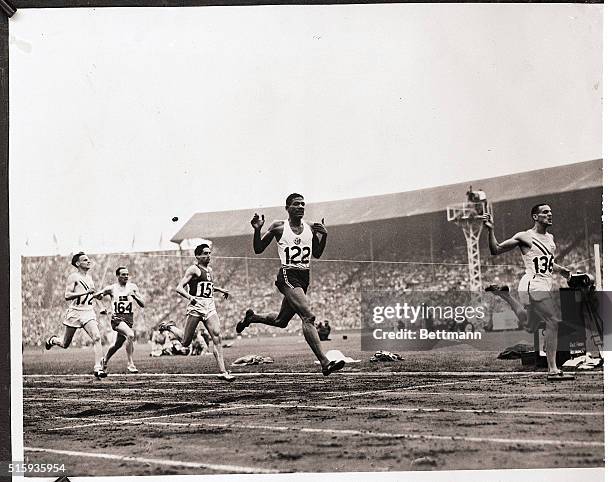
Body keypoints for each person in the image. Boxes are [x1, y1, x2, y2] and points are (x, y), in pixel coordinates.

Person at [236, 193, 345, 376]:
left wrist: (323, 236)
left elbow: (316, 254)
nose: (301, 207)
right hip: (287, 274)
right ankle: (324, 362)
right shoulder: (279, 226)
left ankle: (252, 318)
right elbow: (258, 249)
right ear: (287, 208)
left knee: (281, 322)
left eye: (303, 204)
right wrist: (257, 230)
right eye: (296, 204)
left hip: (304, 277)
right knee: (308, 317)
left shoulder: (310, 227)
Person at [483, 204, 573, 380]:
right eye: (545, 212)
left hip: (542, 284)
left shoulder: (550, 238)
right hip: (534, 283)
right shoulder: (525, 236)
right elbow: (496, 250)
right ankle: (553, 369)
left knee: (529, 325)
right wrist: (490, 230)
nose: (550, 214)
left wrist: (562, 270)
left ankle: (506, 295)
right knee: (553, 320)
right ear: (535, 217)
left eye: (550, 211)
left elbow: (547, 262)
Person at [158, 243, 235, 381]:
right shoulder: (193, 269)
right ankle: (170, 327)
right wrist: (190, 297)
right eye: (205, 253)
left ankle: (223, 371)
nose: (208, 256)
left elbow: (207, 287)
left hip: (210, 306)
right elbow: (179, 288)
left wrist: (220, 290)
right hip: (196, 306)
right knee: (186, 342)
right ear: (197, 256)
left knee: (217, 336)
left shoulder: (210, 270)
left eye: (209, 253)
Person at [45, 252, 106, 378]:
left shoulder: (89, 278)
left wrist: (101, 306)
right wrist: (84, 293)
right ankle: (53, 340)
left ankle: (98, 368)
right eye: (85, 260)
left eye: (88, 259)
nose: (88, 261)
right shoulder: (73, 277)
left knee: (97, 337)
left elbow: (92, 295)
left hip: (88, 311)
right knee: (65, 343)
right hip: (75, 312)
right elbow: (67, 295)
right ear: (78, 263)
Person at [94, 266, 144, 374]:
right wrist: (102, 304)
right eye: (123, 274)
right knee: (130, 335)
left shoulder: (133, 287)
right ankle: (130, 363)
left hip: (128, 319)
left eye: (127, 274)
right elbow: (97, 296)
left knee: (117, 344)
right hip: (116, 318)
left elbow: (143, 303)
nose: (126, 276)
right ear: (117, 276)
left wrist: (135, 296)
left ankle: (105, 360)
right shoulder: (111, 288)